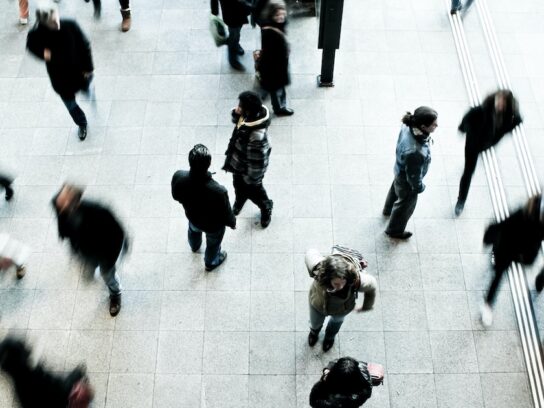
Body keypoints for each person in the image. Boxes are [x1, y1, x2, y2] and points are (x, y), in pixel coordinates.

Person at [52, 184, 127, 316]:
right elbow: (62, 224)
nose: (59, 201)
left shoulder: (98, 210)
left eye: (64, 200)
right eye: (60, 197)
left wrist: (113, 255)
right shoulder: (59, 206)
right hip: (84, 251)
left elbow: (118, 231)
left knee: (107, 274)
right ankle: (94, 273)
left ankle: (115, 294)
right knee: (88, 272)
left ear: (76, 201)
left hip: (104, 252)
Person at [26, 1, 94, 141]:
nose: (55, 22)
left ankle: (87, 90)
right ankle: (82, 123)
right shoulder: (37, 34)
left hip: (79, 71)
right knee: (70, 104)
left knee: (84, 86)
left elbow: (84, 46)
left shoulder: (69, 25)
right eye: (51, 21)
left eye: (55, 17)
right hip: (60, 77)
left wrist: (88, 68)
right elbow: (31, 46)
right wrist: (44, 54)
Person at [455, 90, 522, 216]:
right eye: (499, 101)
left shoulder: (510, 116)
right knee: (468, 171)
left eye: (503, 103)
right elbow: (466, 121)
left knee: (470, 168)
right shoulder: (480, 111)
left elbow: (516, 121)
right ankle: (461, 201)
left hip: (487, 144)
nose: (500, 105)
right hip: (473, 146)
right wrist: (465, 129)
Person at [481, 194, 544, 327]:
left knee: (498, 272)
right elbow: (504, 225)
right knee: (498, 275)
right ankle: (488, 304)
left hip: (519, 254)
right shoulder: (522, 215)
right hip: (507, 248)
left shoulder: (538, 220)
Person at [171, 144, 236, 271]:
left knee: (193, 231)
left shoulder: (179, 177)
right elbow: (226, 212)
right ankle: (210, 261)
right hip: (213, 226)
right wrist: (232, 222)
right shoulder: (218, 191)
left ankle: (194, 246)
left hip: (192, 217)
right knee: (213, 244)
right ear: (209, 164)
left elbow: (175, 196)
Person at [306, 246, 377, 351]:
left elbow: (372, 285)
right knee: (315, 322)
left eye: (343, 282)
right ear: (327, 277)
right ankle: (314, 332)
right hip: (317, 303)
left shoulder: (355, 279)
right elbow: (310, 252)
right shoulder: (319, 270)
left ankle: (329, 338)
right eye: (336, 283)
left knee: (336, 322)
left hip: (342, 309)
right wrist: (318, 264)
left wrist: (366, 306)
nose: (341, 286)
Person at [382, 107, 438, 239]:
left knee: (395, 190)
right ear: (424, 127)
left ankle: (388, 210)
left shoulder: (408, 126)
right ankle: (394, 230)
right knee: (405, 205)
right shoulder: (415, 152)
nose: (437, 126)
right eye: (434, 124)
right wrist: (419, 187)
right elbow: (413, 177)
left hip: (399, 169)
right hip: (408, 181)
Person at [223, 91, 274, 228]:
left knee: (256, 193)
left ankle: (266, 207)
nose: (237, 107)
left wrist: (250, 180)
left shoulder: (257, 136)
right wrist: (236, 113)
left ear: (248, 111)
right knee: (238, 185)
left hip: (249, 173)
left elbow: (258, 164)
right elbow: (238, 122)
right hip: (238, 163)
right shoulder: (248, 117)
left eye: (240, 106)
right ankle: (240, 198)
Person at [258, 0, 294, 116]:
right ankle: (279, 108)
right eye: (277, 15)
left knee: (275, 87)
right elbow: (269, 53)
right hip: (274, 67)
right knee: (276, 88)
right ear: (272, 15)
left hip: (277, 65)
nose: (281, 17)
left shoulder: (276, 25)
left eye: (282, 13)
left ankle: (267, 93)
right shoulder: (269, 32)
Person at [211, 0, 252, 71]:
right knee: (234, 34)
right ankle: (233, 60)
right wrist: (215, 12)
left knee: (237, 31)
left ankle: (235, 45)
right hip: (231, 13)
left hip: (241, 10)